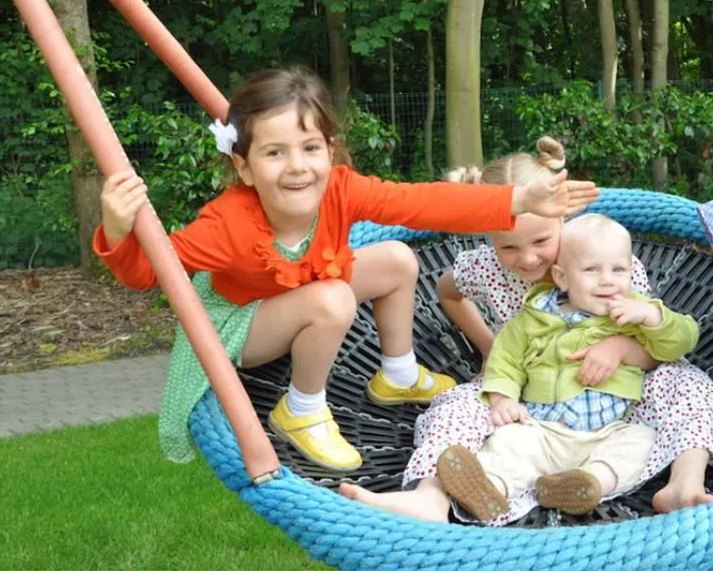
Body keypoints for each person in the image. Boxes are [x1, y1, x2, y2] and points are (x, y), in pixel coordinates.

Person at [93, 70, 599, 473]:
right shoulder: (225, 225)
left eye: (310, 148)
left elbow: (422, 203)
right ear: (245, 168)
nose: (297, 166)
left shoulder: (340, 187)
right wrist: (118, 230)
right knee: (333, 297)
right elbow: (146, 273)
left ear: (329, 152)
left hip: (306, 291)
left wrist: (519, 198)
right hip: (242, 324)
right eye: (275, 153)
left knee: (398, 259)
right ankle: (303, 408)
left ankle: (397, 375)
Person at [340, 138, 712, 520]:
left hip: (619, 396)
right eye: (508, 247)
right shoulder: (484, 267)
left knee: (689, 383)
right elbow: (447, 293)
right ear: (486, 234)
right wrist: (488, 346)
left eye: (541, 241)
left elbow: (654, 342)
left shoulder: (602, 260)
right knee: (454, 406)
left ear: (561, 220)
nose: (528, 258)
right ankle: (431, 496)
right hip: (527, 399)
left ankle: (684, 483)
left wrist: (618, 349)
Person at [435, 213, 699, 521]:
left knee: (640, 442)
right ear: (562, 278)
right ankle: (489, 489)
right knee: (509, 443)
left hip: (609, 431)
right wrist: (503, 398)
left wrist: (653, 317)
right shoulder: (533, 317)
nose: (607, 280)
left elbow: (681, 340)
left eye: (619, 270)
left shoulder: (635, 311)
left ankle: (588, 483)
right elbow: (504, 360)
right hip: (542, 429)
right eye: (591, 270)